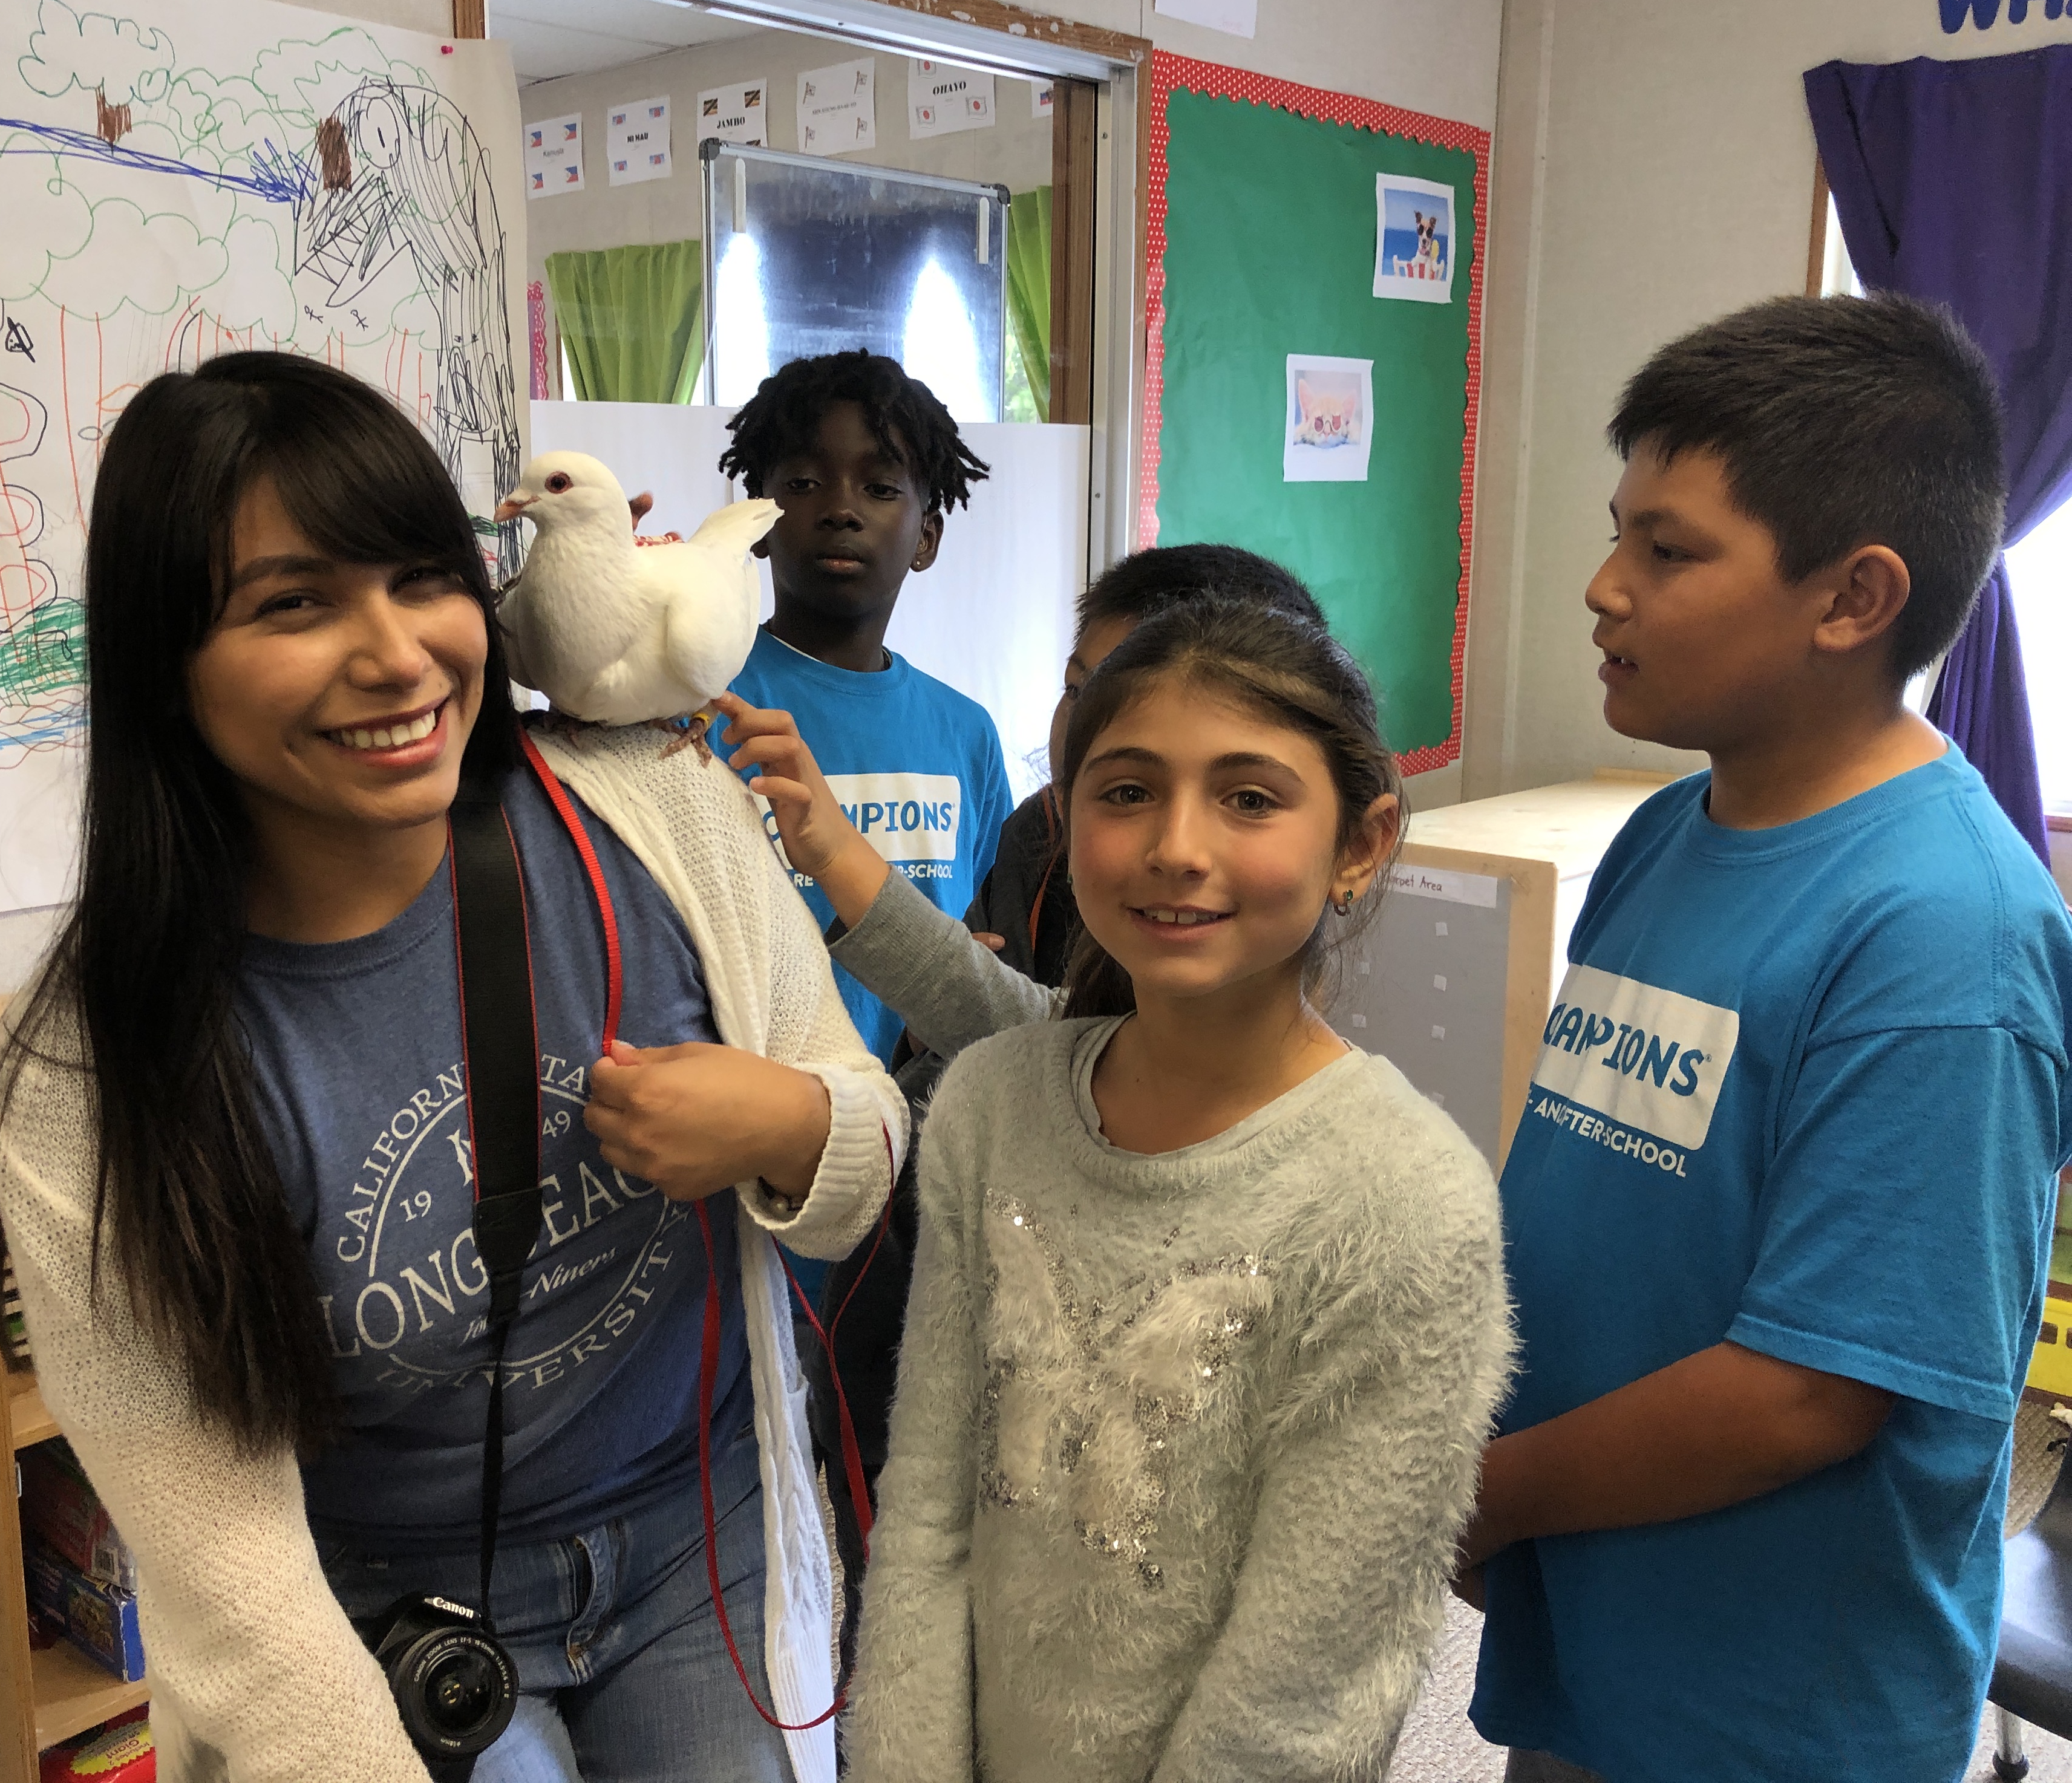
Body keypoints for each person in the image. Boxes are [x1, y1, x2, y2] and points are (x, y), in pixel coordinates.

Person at [0, 351, 903, 1783]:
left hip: (701, 1548)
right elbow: (232, 1586)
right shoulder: (91, 1073)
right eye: (295, 603)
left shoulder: (659, 814)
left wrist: (790, 1124)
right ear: (170, 664)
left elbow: (862, 1166)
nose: (399, 652)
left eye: (423, 579)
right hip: (382, 1616)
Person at [1459, 293, 2072, 1783]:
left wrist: (1481, 1493)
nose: (1604, 588)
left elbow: (1814, 1388)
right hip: (1602, 1624)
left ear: (1853, 597)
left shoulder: (1943, 934)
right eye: (1620, 533)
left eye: (1666, 551)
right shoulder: (1674, 830)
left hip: (1778, 1707)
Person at [838, 596, 1513, 1782]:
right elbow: (931, 1509)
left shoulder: (1402, 1197)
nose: (1176, 848)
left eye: (1249, 797)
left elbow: (1308, 1678)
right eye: (1127, 790)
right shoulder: (991, 1104)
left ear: (1358, 844)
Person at [714, 543, 1330, 1669]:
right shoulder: (1043, 833)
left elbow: (1047, 1035)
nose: (1169, 843)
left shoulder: (1340, 1154)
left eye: (1238, 790)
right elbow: (1023, 1029)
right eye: (1079, 686)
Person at [719, 349, 1013, 1074]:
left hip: (924, 1125)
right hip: (753, 1111)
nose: (841, 509)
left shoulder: (966, 734)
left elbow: (982, 942)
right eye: (804, 483)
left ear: (927, 537)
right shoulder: (705, 707)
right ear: (758, 521)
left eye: (881, 487)